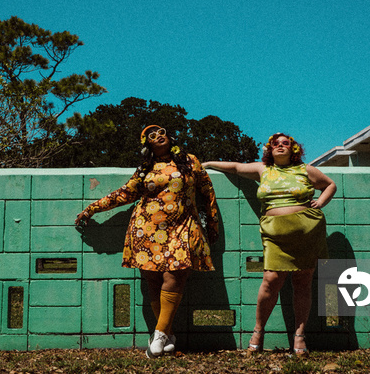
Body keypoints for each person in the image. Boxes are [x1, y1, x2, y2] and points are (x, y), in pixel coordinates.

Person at [76, 125, 219, 358]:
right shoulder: (145, 169)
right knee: (153, 280)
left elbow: (207, 191)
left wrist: (212, 224)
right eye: (151, 136)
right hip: (146, 229)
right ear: (147, 145)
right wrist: (92, 209)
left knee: (175, 275)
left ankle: (160, 335)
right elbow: (125, 194)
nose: (158, 136)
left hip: (183, 227)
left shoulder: (190, 161)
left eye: (161, 131)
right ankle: (169, 336)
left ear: (170, 136)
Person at [202, 133, 336, 356]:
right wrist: (207, 163)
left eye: (286, 143)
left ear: (293, 149)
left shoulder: (305, 170)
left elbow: (330, 184)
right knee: (271, 280)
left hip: (308, 232)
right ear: (269, 149)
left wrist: (321, 201)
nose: (281, 146)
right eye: (276, 143)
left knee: (303, 282)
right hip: (274, 234)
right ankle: (258, 331)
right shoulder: (262, 169)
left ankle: (300, 335)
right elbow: (235, 167)